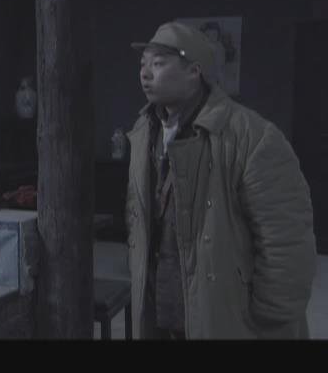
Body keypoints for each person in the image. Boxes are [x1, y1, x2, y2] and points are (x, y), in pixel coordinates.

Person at [124, 22, 316, 339]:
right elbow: (138, 216)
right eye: (143, 64)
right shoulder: (144, 132)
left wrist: (272, 312)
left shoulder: (253, 137)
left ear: (194, 72)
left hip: (225, 311)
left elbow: (286, 236)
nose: (144, 74)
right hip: (164, 304)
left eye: (157, 64)